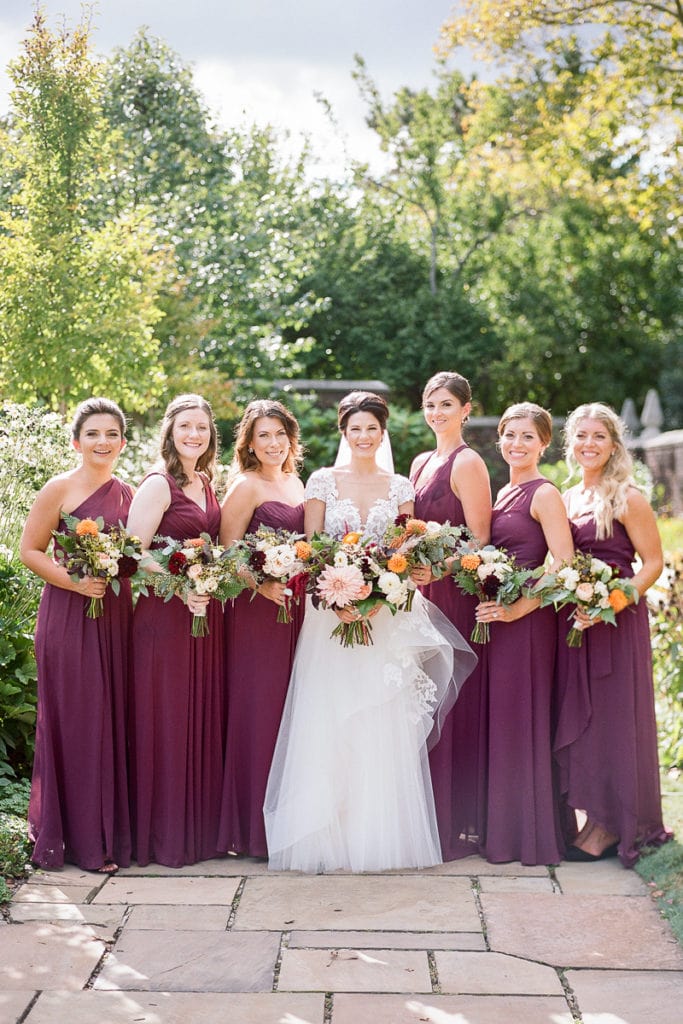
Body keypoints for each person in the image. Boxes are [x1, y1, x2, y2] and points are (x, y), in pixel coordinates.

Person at [264, 391, 477, 872]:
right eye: (355, 428)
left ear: (384, 433)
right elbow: (311, 546)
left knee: (378, 716)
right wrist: (338, 595)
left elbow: (404, 550)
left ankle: (375, 835)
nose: (363, 437)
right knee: (331, 712)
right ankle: (327, 833)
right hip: (330, 612)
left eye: (372, 429)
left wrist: (380, 592)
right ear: (344, 433)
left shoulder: (401, 487)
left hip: (387, 616)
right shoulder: (321, 480)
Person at [554, 403, 672, 866]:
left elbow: (654, 564)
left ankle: (610, 826)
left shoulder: (628, 496)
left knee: (613, 717)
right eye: (581, 436)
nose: (589, 444)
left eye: (598, 436)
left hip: (617, 624)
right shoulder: (567, 497)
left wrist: (610, 603)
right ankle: (592, 816)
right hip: (576, 624)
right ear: (570, 443)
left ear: (614, 444)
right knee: (585, 721)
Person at [20, 397, 132, 873]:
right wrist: (75, 581)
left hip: (115, 620)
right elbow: (30, 550)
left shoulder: (129, 495)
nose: (102, 442)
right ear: (76, 441)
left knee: (110, 724)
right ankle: (73, 840)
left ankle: (105, 838)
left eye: (111, 435)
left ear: (123, 443)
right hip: (67, 615)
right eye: (93, 434)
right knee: (76, 722)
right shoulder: (59, 488)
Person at [127, 394, 225, 867]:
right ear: (169, 431)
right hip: (163, 618)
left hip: (199, 615)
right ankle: (161, 836)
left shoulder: (205, 482)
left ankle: (194, 832)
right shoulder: (157, 484)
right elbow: (132, 552)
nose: (194, 435)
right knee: (166, 718)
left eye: (202, 428)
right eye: (185, 426)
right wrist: (178, 585)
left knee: (193, 714)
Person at [475, 403, 574, 865]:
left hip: (528, 624)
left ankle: (530, 836)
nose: (516, 444)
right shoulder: (502, 492)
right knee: (505, 722)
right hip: (500, 622)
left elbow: (564, 565)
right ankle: (505, 831)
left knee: (524, 719)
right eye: (509, 435)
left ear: (544, 444)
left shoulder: (543, 493)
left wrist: (520, 609)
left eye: (527, 437)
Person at [217, 400, 305, 858]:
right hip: (257, 610)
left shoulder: (295, 481)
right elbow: (227, 550)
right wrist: (263, 585)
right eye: (263, 436)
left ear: (291, 438)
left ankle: (285, 821)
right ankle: (252, 830)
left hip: (297, 609)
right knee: (261, 710)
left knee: (292, 711)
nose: (273, 444)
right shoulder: (245, 486)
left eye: (279, 435)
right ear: (249, 444)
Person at [410, 371, 492, 860]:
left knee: (451, 696)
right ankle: (423, 812)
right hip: (420, 594)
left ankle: (453, 820)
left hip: (454, 593)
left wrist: (437, 567)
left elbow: (480, 538)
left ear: (466, 409)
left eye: (446, 404)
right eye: (430, 404)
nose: (437, 412)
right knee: (422, 697)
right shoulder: (422, 461)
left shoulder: (469, 462)